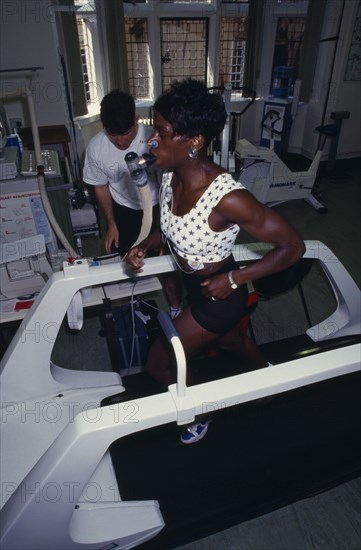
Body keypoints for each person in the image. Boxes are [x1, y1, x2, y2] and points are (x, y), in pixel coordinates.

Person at [126, 79, 305, 444]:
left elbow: (293, 247)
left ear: (194, 141)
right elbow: (171, 229)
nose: (151, 141)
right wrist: (145, 244)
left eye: (161, 132)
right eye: (153, 130)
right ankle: (268, 379)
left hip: (221, 298)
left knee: (158, 363)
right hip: (197, 289)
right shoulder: (170, 177)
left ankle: (199, 411)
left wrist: (237, 278)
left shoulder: (229, 198)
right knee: (231, 344)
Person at [83, 89, 182, 315]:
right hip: (124, 209)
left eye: (125, 134)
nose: (119, 141)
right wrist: (111, 224)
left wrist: (165, 228)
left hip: (160, 205)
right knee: (130, 262)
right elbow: (100, 185)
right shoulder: (97, 148)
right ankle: (136, 309)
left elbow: (175, 185)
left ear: (136, 119)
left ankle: (176, 309)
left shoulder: (155, 141)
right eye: (112, 134)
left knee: (167, 262)